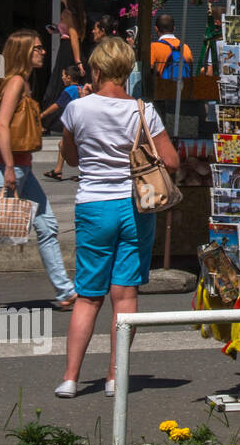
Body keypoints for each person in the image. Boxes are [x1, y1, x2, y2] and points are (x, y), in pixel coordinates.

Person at [56, 36, 179, 398]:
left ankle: (70, 378)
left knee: (87, 295)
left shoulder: (77, 109)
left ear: (96, 69)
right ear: (127, 71)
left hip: (93, 205)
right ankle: (115, 376)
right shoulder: (144, 110)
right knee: (124, 296)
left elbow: (72, 158)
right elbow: (170, 161)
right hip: (135, 205)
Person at [0, 30, 78, 316]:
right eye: (38, 48)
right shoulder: (15, 83)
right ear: (24, 52)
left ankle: (66, 292)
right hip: (11, 169)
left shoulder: (17, 82)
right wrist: (9, 167)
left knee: (46, 225)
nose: (43, 52)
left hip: (19, 169)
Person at [39, 64, 83, 180]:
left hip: (75, 124)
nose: (62, 78)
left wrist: (42, 115)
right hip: (81, 122)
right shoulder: (83, 88)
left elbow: (57, 105)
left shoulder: (69, 90)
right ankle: (58, 170)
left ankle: (84, 173)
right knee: (62, 144)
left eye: (63, 75)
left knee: (71, 145)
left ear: (69, 77)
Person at [149, 13, 194, 78]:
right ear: (174, 28)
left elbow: (148, 71)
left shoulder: (153, 47)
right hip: (182, 87)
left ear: (156, 29)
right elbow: (190, 71)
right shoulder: (185, 47)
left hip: (162, 87)